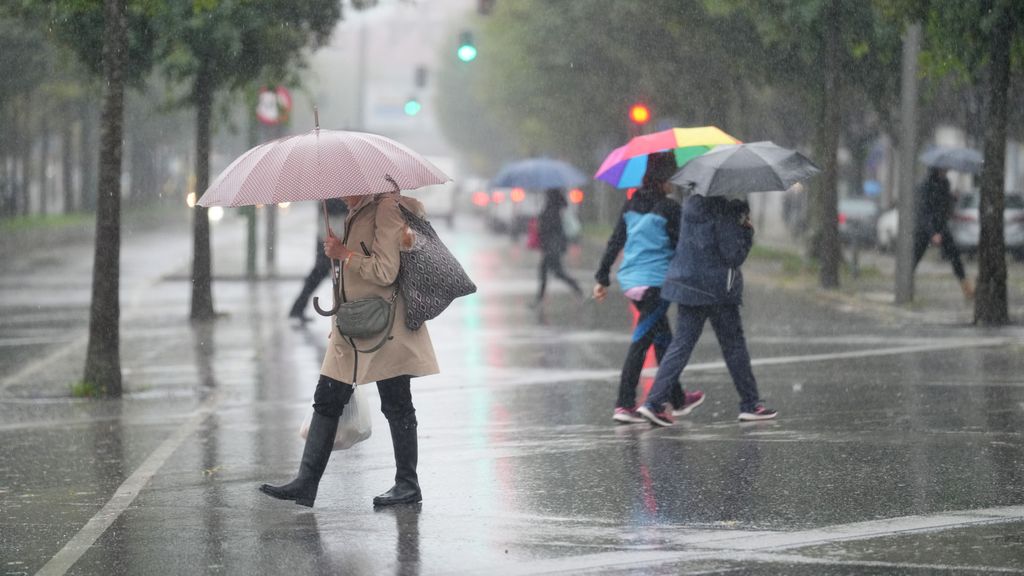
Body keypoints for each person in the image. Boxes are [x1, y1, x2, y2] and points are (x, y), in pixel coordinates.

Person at [261, 191, 439, 508]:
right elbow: (349, 280)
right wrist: (336, 325)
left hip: (386, 327)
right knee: (327, 399)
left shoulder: (384, 209)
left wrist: (345, 254)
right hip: (354, 326)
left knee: (396, 402)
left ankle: (408, 484)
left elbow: (386, 271)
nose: (340, 195)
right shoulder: (356, 210)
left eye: (345, 189)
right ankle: (306, 482)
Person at [637, 194, 777, 426]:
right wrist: (747, 231)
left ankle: (653, 403)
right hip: (717, 288)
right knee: (733, 345)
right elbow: (733, 254)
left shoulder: (692, 203)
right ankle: (750, 403)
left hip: (687, 283)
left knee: (681, 345)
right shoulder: (729, 207)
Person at [593, 152, 703, 424]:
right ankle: (624, 404)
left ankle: (676, 398)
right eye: (672, 177)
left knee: (662, 338)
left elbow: (616, 240)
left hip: (630, 280)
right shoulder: (670, 208)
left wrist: (602, 276)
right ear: (664, 179)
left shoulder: (631, 204)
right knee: (641, 342)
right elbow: (683, 246)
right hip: (655, 283)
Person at [912, 167, 974, 299]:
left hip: (941, 227)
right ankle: (905, 287)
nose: (945, 171)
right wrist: (932, 233)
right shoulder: (926, 185)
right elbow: (924, 212)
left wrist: (953, 198)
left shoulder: (945, 183)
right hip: (925, 229)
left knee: (955, 256)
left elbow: (945, 208)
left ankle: (966, 287)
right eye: (943, 169)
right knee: (914, 258)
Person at [288, 198, 349, 321]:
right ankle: (298, 308)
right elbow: (335, 208)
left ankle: (298, 308)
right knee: (321, 274)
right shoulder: (334, 194)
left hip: (329, 236)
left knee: (320, 274)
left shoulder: (327, 192)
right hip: (331, 238)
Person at [533, 187, 584, 305]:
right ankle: (539, 300)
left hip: (552, 247)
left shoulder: (552, 208)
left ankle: (577, 288)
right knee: (547, 272)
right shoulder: (555, 207)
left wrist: (541, 222)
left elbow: (549, 228)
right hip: (553, 246)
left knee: (556, 272)